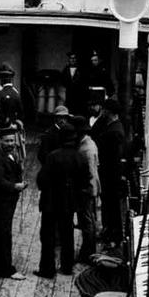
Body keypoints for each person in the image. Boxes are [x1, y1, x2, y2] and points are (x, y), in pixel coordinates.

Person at [35, 119, 88, 277]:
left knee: (48, 235)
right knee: (67, 234)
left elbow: (42, 179)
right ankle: (67, 266)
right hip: (69, 202)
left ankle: (47, 269)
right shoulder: (79, 157)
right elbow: (84, 181)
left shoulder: (53, 156)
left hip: (51, 202)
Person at [0, 125, 27, 279]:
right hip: (0, 201)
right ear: (0, 140)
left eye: (12, 141)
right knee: (3, 234)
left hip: (7, 200)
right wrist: (15, 186)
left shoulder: (10, 154)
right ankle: (5, 269)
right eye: (7, 141)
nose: (10, 144)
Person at [96, 98, 126, 244]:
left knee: (112, 207)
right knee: (109, 206)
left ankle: (114, 235)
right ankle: (109, 232)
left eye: (104, 110)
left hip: (110, 177)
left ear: (108, 111)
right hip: (109, 175)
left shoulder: (114, 132)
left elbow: (114, 158)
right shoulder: (112, 127)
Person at [74, 114, 100, 261]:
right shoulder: (89, 143)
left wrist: (87, 189)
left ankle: (88, 252)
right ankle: (88, 250)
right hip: (88, 188)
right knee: (88, 220)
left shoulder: (86, 149)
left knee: (87, 221)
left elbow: (90, 172)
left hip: (86, 190)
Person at [61, 52, 88, 116]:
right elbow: (63, 81)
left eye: (74, 58)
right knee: (69, 111)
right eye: (71, 58)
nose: (73, 60)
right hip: (69, 94)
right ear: (69, 59)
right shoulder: (66, 69)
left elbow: (84, 81)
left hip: (78, 95)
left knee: (77, 112)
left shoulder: (81, 70)